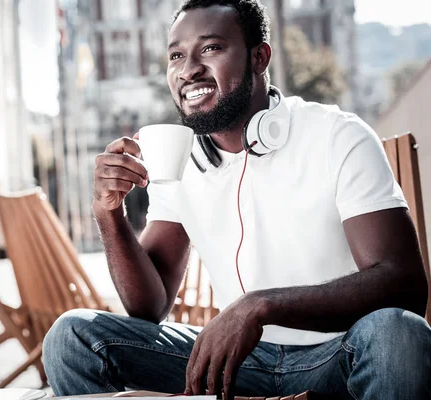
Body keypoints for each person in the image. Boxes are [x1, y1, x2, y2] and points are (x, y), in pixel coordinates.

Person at [42, 1, 431, 398]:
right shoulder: (180, 161)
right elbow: (148, 307)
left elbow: (405, 284)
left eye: (210, 48)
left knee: (397, 333)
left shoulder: (337, 135)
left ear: (259, 57)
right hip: (238, 363)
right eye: (176, 55)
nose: (188, 68)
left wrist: (260, 306)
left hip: (337, 355)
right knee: (73, 336)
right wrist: (109, 213)